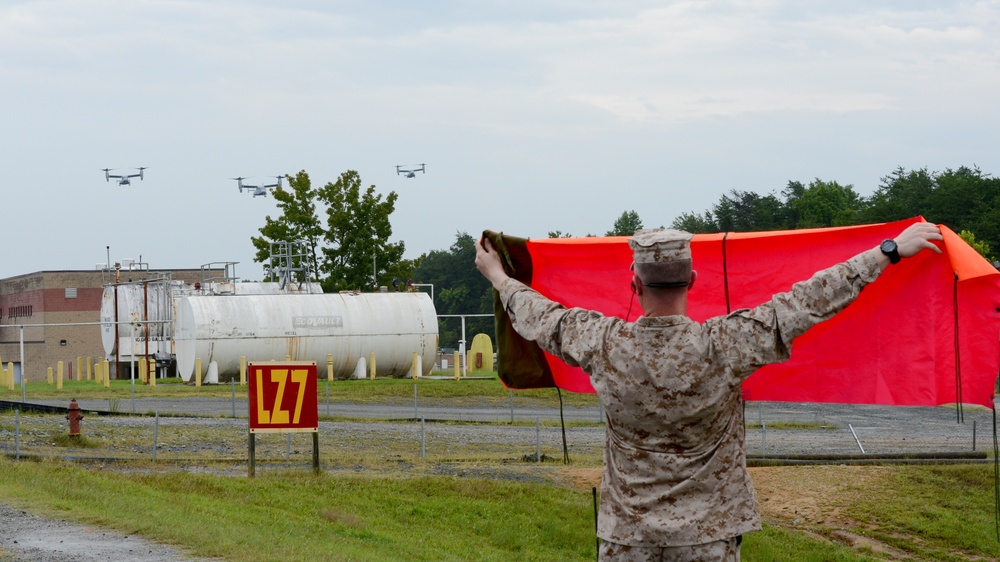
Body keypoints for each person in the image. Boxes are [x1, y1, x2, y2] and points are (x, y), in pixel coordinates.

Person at [475, 221, 943, 561]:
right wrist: (888, 251)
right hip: (709, 539)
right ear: (693, 281)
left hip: (627, 539)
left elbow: (540, 315)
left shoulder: (602, 343)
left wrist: (498, 276)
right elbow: (808, 301)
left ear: (634, 283)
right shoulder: (727, 344)